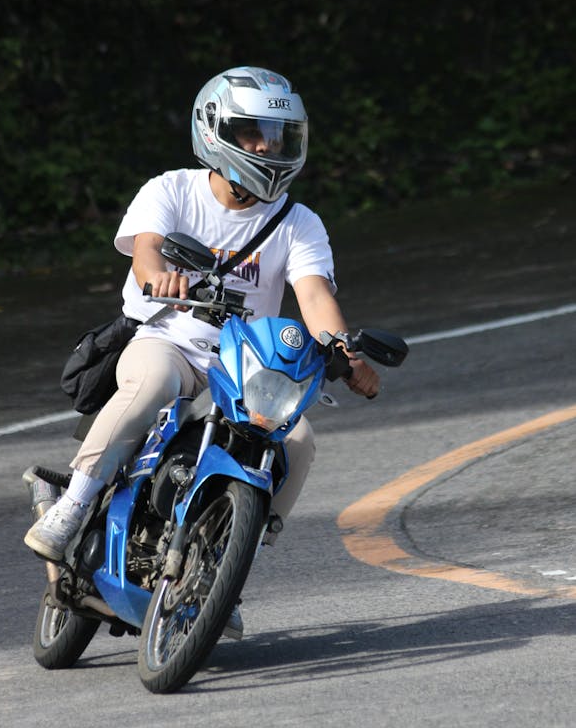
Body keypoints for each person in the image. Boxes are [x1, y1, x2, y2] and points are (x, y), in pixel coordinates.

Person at [24, 67, 379, 631]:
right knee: (151, 385)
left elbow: (313, 295)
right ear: (216, 132)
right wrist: (161, 278)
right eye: (252, 132)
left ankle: (225, 569)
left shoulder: (298, 222)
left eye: (277, 135)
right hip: (168, 340)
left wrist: (343, 350)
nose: (267, 147)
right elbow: (147, 255)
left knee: (301, 442)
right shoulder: (170, 190)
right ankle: (74, 504)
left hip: (242, 367)